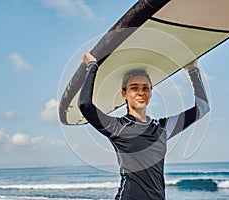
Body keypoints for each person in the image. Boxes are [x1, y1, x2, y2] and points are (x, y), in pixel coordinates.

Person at [78, 50, 210, 200]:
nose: (141, 92)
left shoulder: (162, 128)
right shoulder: (117, 127)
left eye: (145, 88)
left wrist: (193, 70)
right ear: (124, 94)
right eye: (134, 88)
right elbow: (85, 105)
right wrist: (92, 65)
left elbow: (202, 108)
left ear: (151, 92)